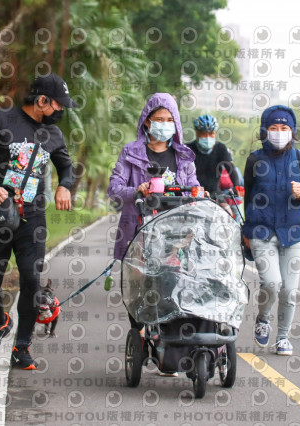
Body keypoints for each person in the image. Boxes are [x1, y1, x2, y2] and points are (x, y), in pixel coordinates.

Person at [0, 74, 77, 369]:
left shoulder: (53, 135)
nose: (61, 111)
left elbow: (67, 167)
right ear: (41, 101)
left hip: (32, 219)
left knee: (31, 279)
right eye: (58, 106)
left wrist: (65, 185)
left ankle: (22, 347)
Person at [107, 93, 200, 376]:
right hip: (139, 234)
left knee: (172, 288)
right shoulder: (131, 153)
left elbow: (194, 185)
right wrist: (138, 190)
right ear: (147, 122)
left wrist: (199, 192)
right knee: (138, 293)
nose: (163, 125)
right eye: (158, 119)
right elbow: (114, 188)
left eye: (169, 120)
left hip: (176, 238)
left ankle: (168, 348)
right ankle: (140, 337)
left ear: (176, 123)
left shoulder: (184, 156)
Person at [242, 105, 300, 355]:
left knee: (289, 289)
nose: (279, 132)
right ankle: (263, 320)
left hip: (293, 232)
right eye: (273, 128)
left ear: (292, 131)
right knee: (272, 283)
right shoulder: (255, 159)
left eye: (284, 128)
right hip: (261, 231)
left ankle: (283, 337)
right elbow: (249, 196)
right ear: (265, 130)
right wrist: (246, 230)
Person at [186, 114, 240, 215]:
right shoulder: (188, 149)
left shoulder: (220, 148)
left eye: (211, 134)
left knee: (230, 214)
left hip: (215, 193)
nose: (207, 137)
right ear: (197, 133)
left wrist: (236, 186)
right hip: (193, 193)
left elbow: (230, 168)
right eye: (204, 134)